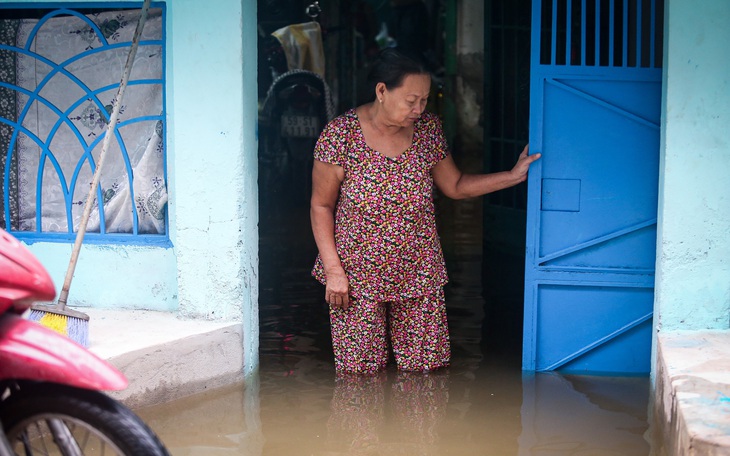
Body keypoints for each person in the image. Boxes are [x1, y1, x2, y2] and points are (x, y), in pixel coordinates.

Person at [310, 47, 540, 375]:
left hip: (420, 274)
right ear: (381, 91)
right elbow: (321, 205)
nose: (419, 109)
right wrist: (334, 272)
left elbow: (456, 185)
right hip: (355, 278)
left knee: (426, 378)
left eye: (425, 100)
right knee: (359, 381)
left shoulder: (428, 130)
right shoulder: (340, 135)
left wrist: (512, 176)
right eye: (411, 100)